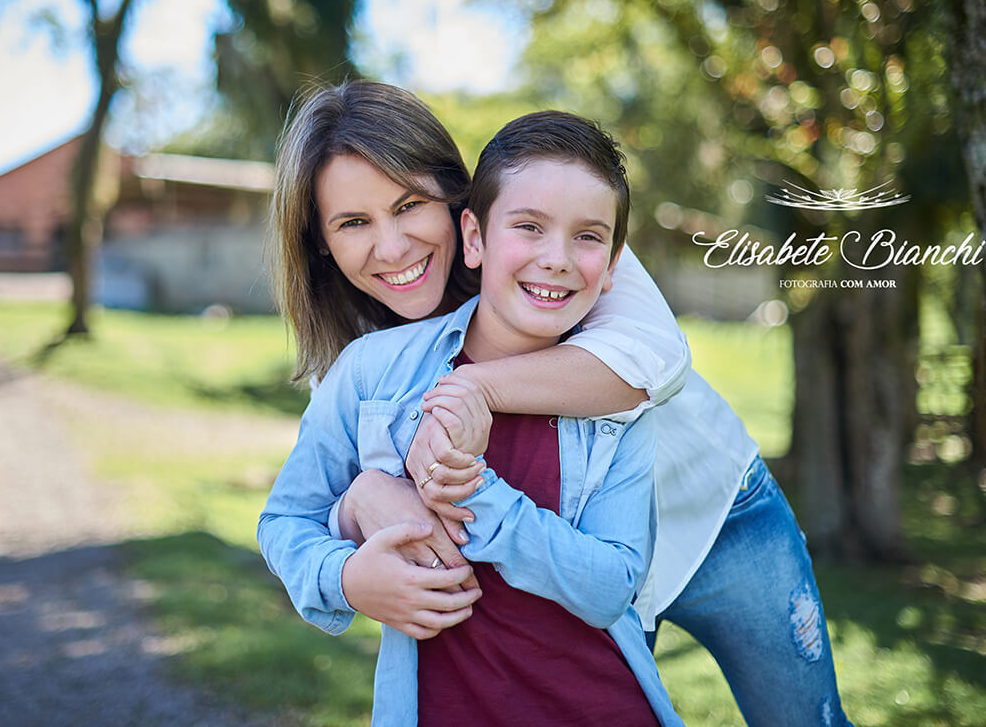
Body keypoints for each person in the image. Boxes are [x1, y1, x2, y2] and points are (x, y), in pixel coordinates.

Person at [266, 80, 853, 727]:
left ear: (459, 203)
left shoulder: (562, 241)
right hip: (577, 554)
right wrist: (358, 500)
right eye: (353, 222)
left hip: (711, 518)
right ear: (318, 239)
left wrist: (478, 388)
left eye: (409, 206)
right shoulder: (372, 362)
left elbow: (648, 365)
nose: (394, 245)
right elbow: (310, 500)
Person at [260, 110, 681, 727]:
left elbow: (611, 587)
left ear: (613, 265)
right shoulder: (373, 371)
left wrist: (474, 495)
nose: (557, 258)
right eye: (355, 221)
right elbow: (286, 520)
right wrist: (348, 576)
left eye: (587, 238)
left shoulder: (616, 397)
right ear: (476, 236)